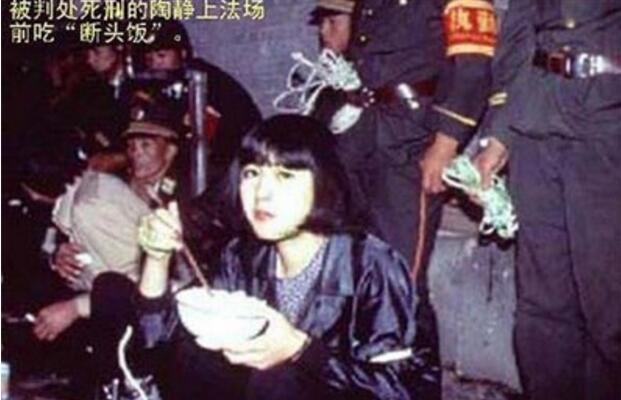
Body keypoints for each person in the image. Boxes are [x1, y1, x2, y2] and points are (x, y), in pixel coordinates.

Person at [136, 115, 422, 399]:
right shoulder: (242, 257)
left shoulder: (370, 264)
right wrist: (157, 258)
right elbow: (158, 344)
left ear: (324, 182)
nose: (262, 193)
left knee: (276, 378)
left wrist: (301, 350)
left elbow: (398, 390)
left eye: (285, 176)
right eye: (252, 173)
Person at [309, 1, 497, 396]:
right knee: (359, 275)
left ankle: (415, 388)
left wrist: (445, 144)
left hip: (411, 145)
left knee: (402, 283)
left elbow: (472, 69)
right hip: (362, 141)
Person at [473, 2, 621, 399]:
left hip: (610, 127)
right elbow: (519, 35)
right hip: (536, 120)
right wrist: (500, 133)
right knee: (543, 302)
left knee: (610, 304)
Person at [33, 118, 183, 390]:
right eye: (132, 146)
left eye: (146, 145)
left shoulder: (185, 197)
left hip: (155, 310)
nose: (136, 153)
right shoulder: (119, 186)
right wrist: (60, 255)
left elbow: (172, 279)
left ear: (170, 151)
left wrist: (78, 305)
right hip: (102, 289)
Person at [135, 19, 262, 186]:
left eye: (161, 55)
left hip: (233, 160)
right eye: (149, 58)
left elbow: (216, 136)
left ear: (182, 53)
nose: (155, 64)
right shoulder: (159, 84)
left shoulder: (204, 81)